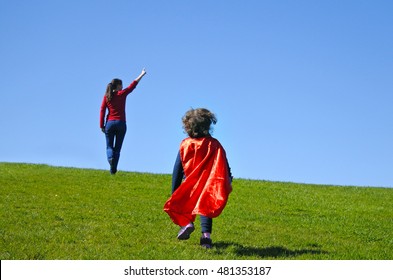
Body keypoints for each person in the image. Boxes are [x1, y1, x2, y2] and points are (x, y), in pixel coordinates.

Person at [164, 108, 232, 248]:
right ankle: (206, 237)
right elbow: (223, 162)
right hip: (208, 183)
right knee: (205, 207)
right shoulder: (214, 144)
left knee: (184, 205)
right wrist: (228, 177)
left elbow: (178, 168)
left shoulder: (185, 144)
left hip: (190, 183)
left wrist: (174, 190)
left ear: (188, 127)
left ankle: (187, 223)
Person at [100, 68, 147, 174]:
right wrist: (142, 74)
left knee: (109, 146)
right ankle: (113, 169)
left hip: (110, 124)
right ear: (117, 86)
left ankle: (111, 161)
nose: (122, 87)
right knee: (118, 148)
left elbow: (102, 110)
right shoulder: (122, 94)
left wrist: (101, 125)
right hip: (121, 123)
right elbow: (133, 85)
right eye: (121, 85)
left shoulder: (106, 97)